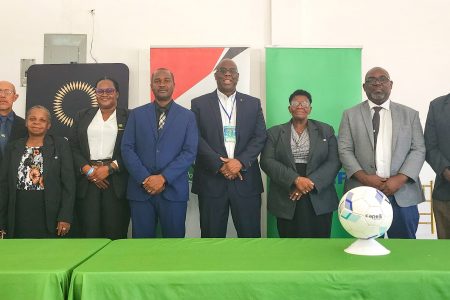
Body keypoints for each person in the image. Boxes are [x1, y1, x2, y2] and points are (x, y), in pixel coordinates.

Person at [338, 67, 425, 239]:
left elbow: (418, 149)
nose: (377, 83)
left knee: (403, 249)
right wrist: (365, 178)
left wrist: (399, 179)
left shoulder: (410, 115)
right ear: (364, 87)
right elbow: (344, 149)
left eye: (382, 79)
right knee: (366, 249)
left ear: (391, 84)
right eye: (371, 80)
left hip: (402, 192)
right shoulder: (350, 115)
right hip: (362, 193)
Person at [191, 58, 267, 238]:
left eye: (232, 71)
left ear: (238, 76)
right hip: (211, 181)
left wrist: (239, 162)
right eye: (223, 70)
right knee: (211, 238)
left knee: (250, 239)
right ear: (215, 75)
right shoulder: (199, 104)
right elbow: (195, 137)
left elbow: (260, 136)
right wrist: (220, 165)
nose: (227, 74)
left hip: (246, 182)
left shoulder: (253, 103)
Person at [121, 68, 198, 238]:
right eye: (157, 81)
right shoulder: (136, 114)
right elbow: (127, 148)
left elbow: (189, 152)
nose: (162, 84)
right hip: (141, 191)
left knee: (174, 246)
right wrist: (145, 179)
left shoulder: (187, 117)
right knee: (142, 247)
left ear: (174, 85)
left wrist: (163, 178)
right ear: (151, 86)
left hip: (174, 190)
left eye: (166, 80)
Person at [260, 90, 341, 238]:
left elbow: (334, 161)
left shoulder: (326, 130)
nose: (300, 106)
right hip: (287, 193)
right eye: (295, 103)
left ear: (310, 109)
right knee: (290, 246)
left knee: (319, 245)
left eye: (305, 103)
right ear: (289, 108)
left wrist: (309, 182)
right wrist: (295, 180)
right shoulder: (274, 133)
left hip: (318, 193)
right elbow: (267, 161)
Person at [0, 105, 75, 238]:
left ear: (49, 125)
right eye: (32, 119)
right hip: (19, 209)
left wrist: (65, 216)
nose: (36, 123)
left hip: (49, 210)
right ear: (26, 122)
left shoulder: (60, 145)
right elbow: (4, 185)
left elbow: (69, 184)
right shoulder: (13, 147)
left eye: (42, 120)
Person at [70, 77, 130, 240]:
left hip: (115, 183)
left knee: (115, 234)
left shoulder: (129, 116)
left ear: (117, 94)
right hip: (87, 181)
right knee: (89, 233)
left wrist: (109, 169)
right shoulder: (82, 115)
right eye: (100, 91)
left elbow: (133, 149)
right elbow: (73, 147)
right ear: (95, 94)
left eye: (109, 90)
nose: (105, 94)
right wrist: (89, 171)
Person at [424, 93, 450, 239]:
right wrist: (446, 172)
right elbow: (429, 146)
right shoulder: (437, 106)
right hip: (446, 193)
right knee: (446, 255)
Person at [0, 81, 27, 165]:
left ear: (15, 97)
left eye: (8, 92)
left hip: (14, 176)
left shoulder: (25, 125)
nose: (2, 95)